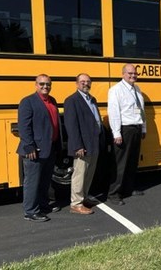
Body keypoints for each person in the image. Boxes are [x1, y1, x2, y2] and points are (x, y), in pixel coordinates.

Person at [17, 74, 61, 222]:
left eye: (48, 84)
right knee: (32, 181)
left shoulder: (52, 100)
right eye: (41, 84)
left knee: (44, 181)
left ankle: (43, 205)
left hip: (49, 148)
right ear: (36, 85)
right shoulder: (28, 102)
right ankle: (30, 211)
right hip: (34, 150)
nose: (45, 87)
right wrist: (29, 146)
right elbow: (24, 127)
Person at [64, 73, 105, 215]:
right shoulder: (72, 100)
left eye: (88, 81)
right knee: (79, 174)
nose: (85, 84)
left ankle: (84, 197)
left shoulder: (92, 99)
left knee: (89, 174)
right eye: (82, 81)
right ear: (77, 83)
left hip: (94, 143)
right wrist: (77, 145)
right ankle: (76, 204)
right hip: (82, 145)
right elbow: (71, 125)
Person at [107, 64, 146, 205]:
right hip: (124, 129)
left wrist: (143, 128)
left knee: (132, 162)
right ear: (123, 74)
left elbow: (141, 110)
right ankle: (114, 193)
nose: (133, 75)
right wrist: (116, 133)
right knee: (120, 163)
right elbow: (114, 112)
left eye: (135, 73)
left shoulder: (137, 89)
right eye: (130, 73)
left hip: (136, 128)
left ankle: (128, 189)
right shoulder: (116, 90)